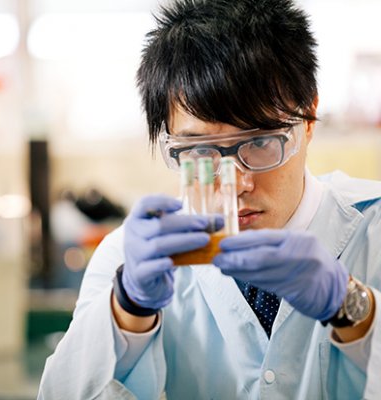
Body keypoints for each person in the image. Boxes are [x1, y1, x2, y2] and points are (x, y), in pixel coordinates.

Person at [38, 0, 381, 399]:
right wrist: (128, 309)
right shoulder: (129, 261)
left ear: (307, 118)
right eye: (200, 151)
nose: (234, 183)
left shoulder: (374, 229)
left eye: (260, 142)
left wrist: (352, 306)